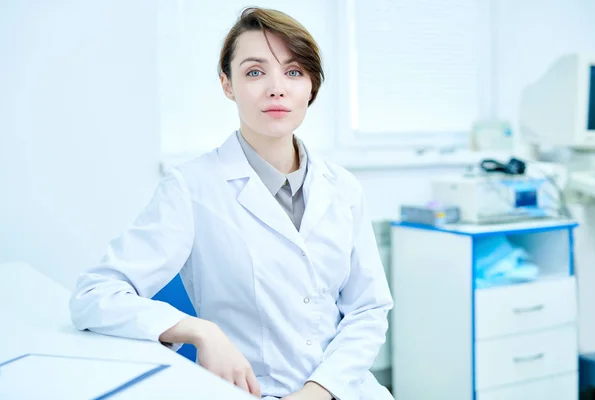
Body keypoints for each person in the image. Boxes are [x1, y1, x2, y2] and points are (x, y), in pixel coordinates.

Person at [69, 7, 394, 400]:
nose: (277, 88)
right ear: (227, 84)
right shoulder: (190, 188)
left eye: (293, 72)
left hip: (345, 390)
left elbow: (368, 310)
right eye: (255, 72)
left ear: (312, 86)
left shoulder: (343, 188)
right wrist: (199, 330)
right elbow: (94, 296)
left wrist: (319, 389)